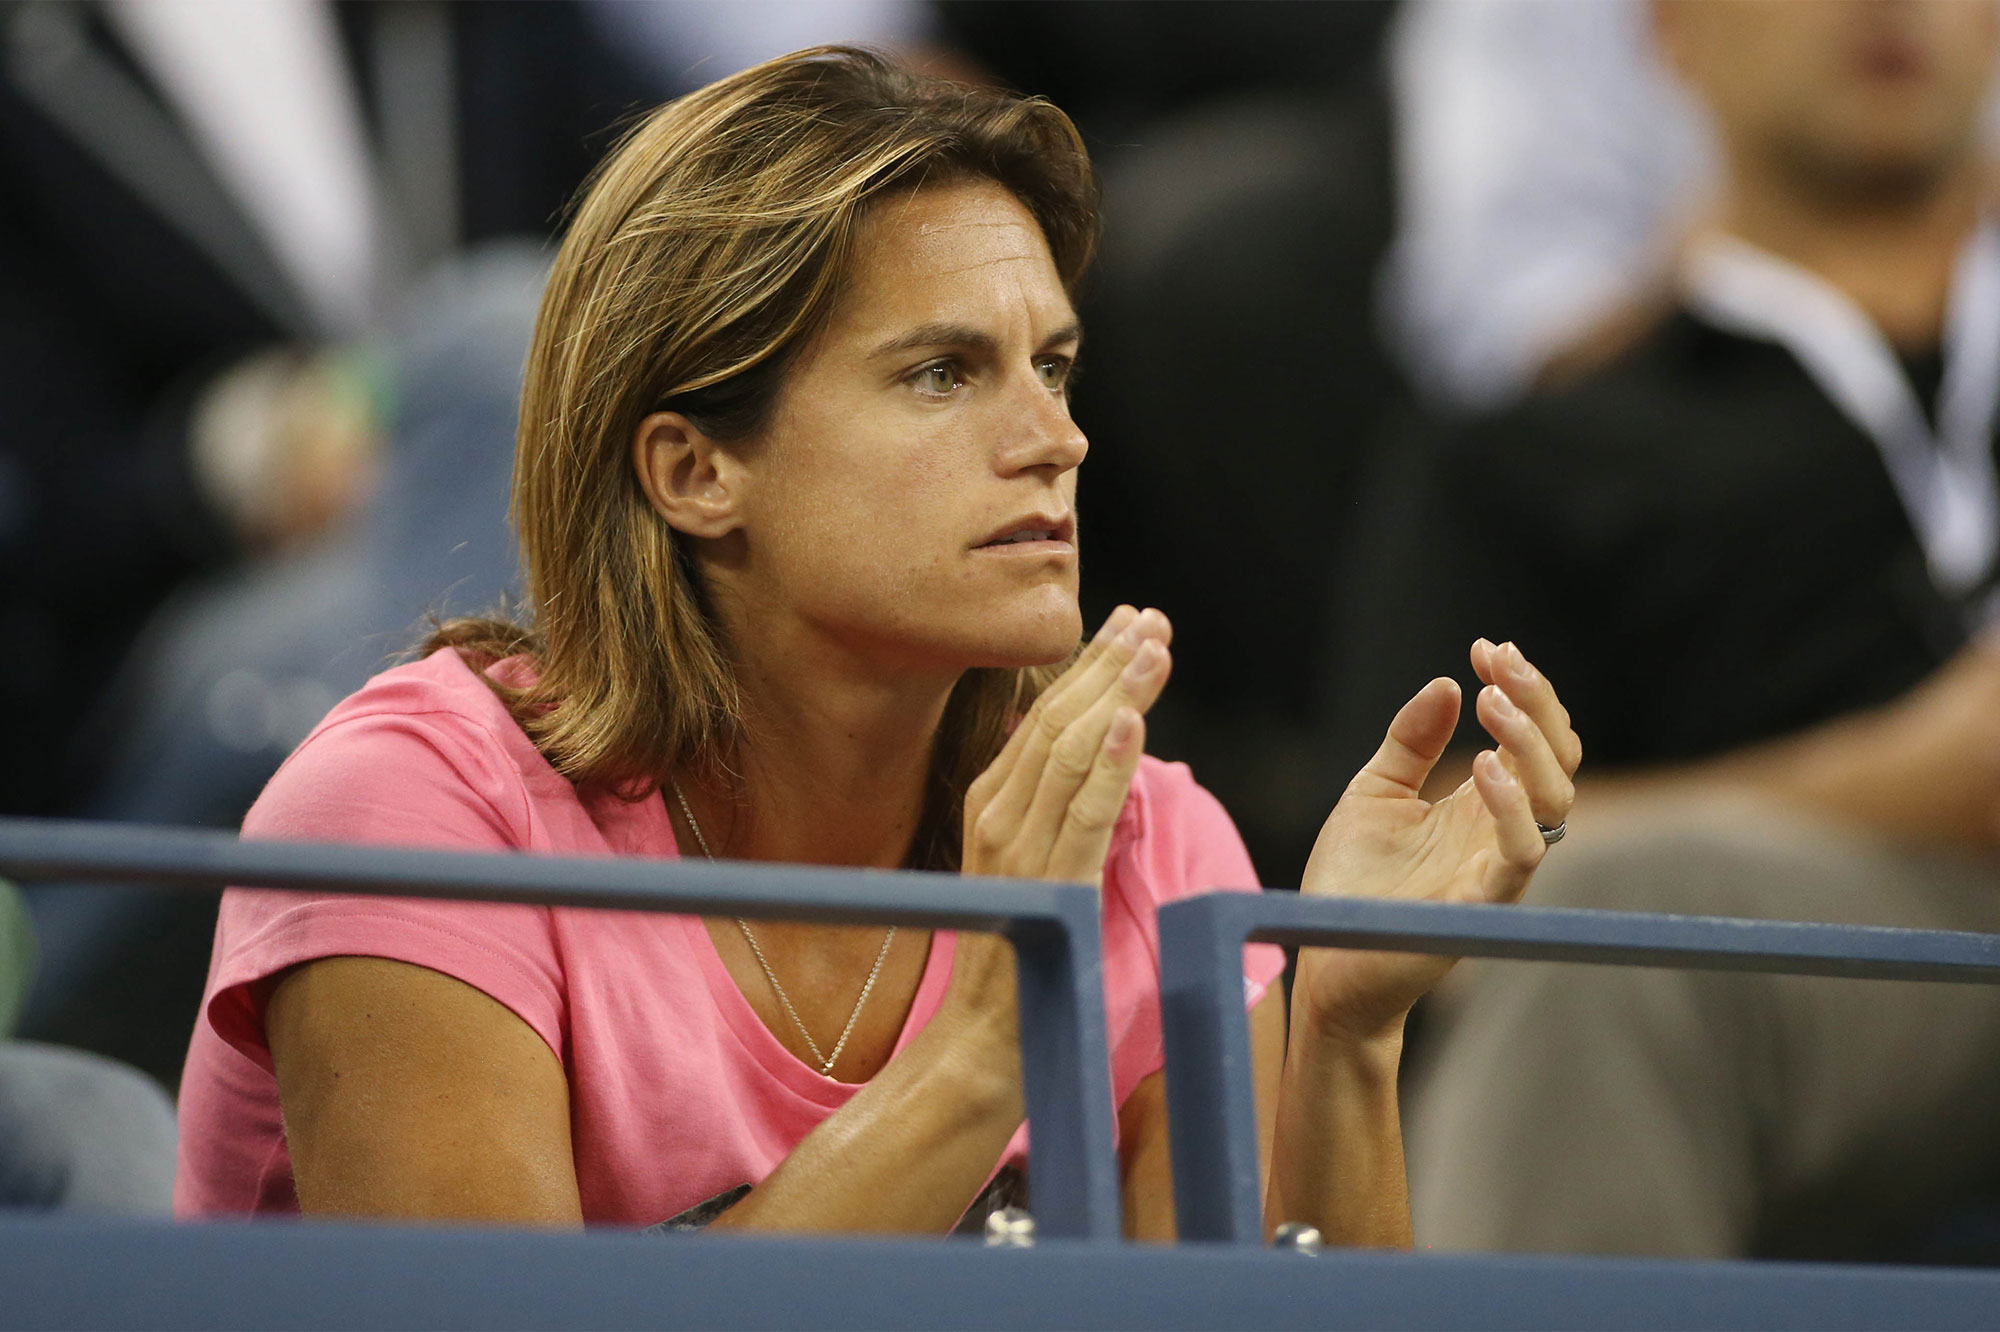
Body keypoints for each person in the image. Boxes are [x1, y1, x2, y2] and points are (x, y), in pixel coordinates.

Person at [173, 48, 1579, 1239]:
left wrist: (1343, 1027)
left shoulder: (1141, 845)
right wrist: (985, 1049)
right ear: (692, 471)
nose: (1055, 439)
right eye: (940, 373)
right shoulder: (418, 818)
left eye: (1055, 366)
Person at [1333, 0, 2000, 1258]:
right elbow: (1402, 880)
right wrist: (1890, 785)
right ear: (1671, 32)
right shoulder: (1537, 450)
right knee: (1618, 922)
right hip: (1847, 962)